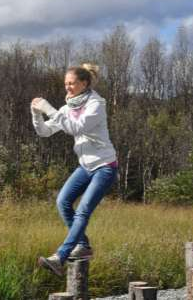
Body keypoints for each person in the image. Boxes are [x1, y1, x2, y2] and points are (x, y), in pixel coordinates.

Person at [31, 64, 118, 276]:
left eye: (71, 83)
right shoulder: (68, 107)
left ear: (84, 83)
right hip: (85, 166)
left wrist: (48, 107)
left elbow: (76, 128)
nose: (68, 87)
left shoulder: (96, 104)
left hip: (105, 167)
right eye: (66, 84)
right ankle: (84, 246)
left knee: (83, 211)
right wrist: (36, 114)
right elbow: (44, 131)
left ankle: (60, 257)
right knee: (62, 202)